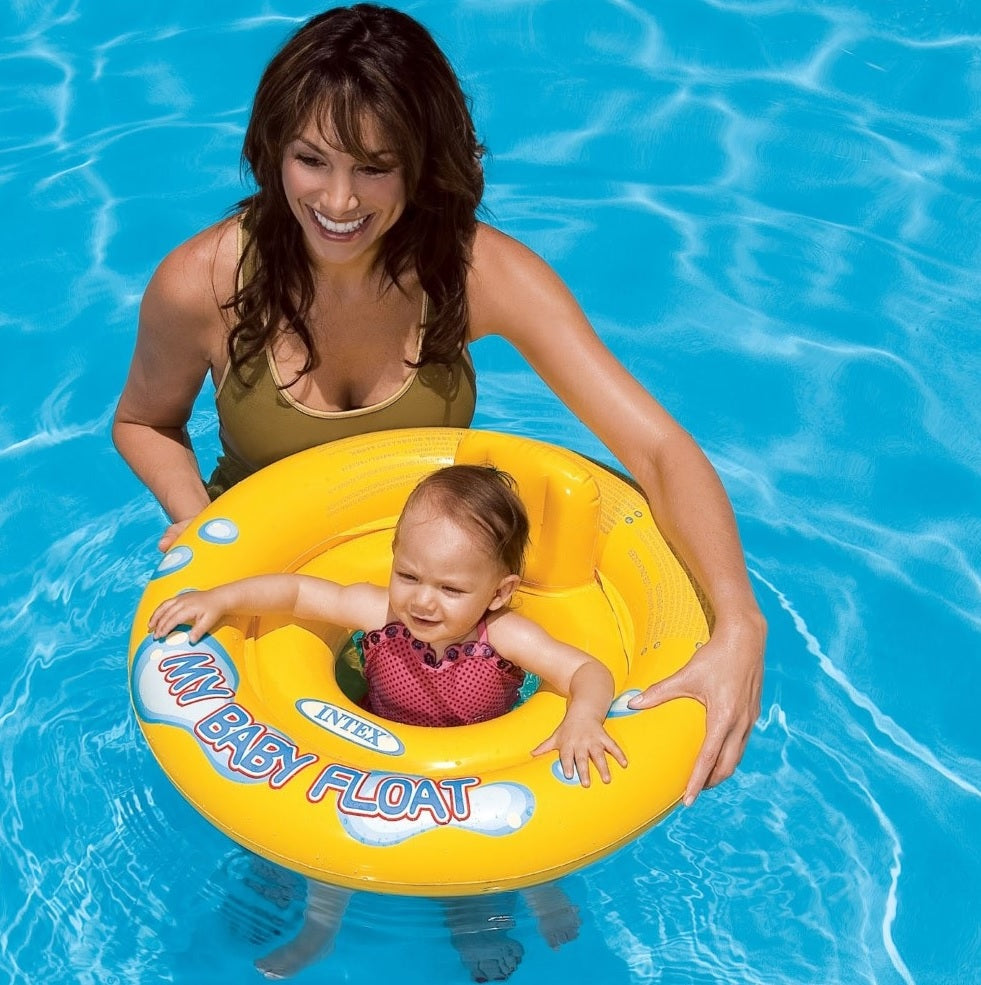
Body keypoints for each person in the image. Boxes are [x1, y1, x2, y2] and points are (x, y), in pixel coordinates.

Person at [113, 3, 765, 807]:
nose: (340, 201)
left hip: (442, 597)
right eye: (311, 160)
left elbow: (659, 450)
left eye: (375, 167)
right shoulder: (206, 284)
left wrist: (740, 626)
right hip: (274, 588)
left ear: (421, 164)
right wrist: (195, 517)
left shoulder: (476, 274)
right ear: (271, 151)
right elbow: (144, 422)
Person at [148, 464, 622, 980]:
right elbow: (300, 594)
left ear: (499, 593)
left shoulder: (506, 635)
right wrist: (221, 598)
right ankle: (319, 932)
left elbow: (586, 670)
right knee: (332, 843)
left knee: (497, 850)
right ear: (393, 561)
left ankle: (508, 909)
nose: (422, 600)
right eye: (409, 575)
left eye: (451, 588)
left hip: (480, 766)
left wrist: (583, 717)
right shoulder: (382, 615)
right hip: (377, 754)